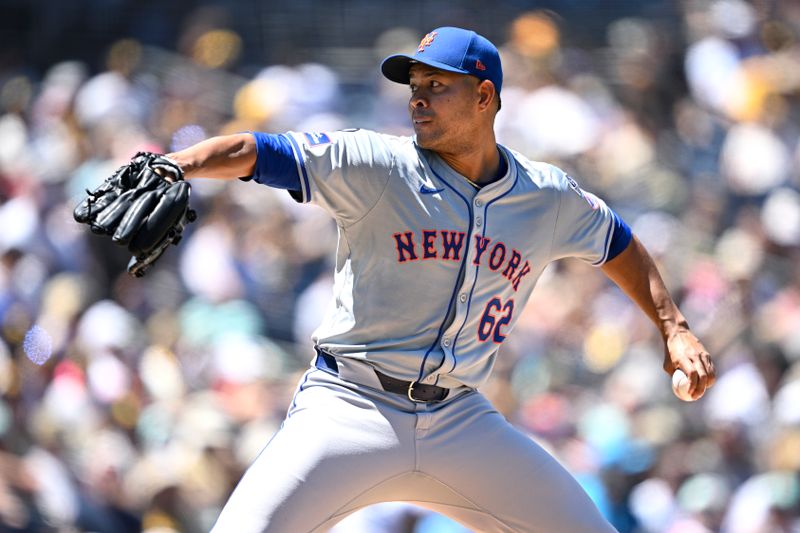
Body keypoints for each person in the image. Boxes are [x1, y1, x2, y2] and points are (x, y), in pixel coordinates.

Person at [159, 26, 716, 533]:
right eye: (413, 85)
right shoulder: (377, 163)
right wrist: (178, 165)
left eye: (436, 84)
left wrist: (675, 327)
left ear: (484, 97)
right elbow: (263, 152)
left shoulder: (544, 197)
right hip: (351, 404)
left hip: (460, 420)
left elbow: (617, 240)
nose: (418, 97)